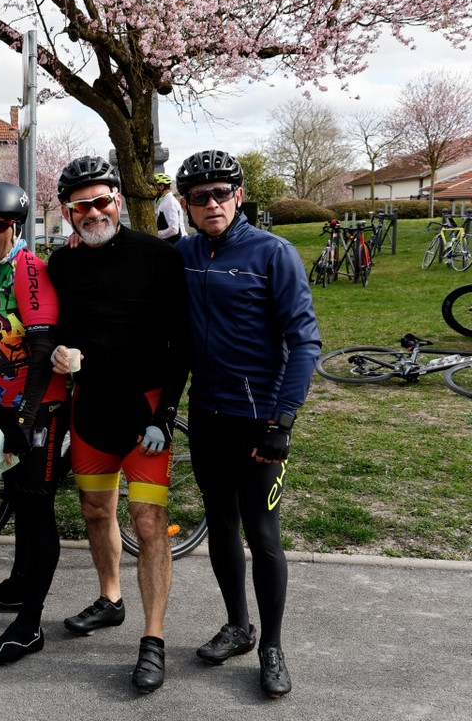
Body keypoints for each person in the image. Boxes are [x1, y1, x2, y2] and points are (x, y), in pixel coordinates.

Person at [174, 150, 320, 699]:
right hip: (207, 416)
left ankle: (272, 647)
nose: (211, 203)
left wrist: (283, 421)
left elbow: (305, 341)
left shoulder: (273, 253)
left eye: (221, 193)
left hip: (259, 421)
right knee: (220, 523)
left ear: (238, 196)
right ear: (186, 205)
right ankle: (238, 626)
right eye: (199, 196)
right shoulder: (184, 253)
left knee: (262, 533)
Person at [47, 155, 189, 693]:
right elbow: (57, 329)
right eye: (80, 206)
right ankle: (110, 599)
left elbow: (182, 343)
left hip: (145, 411)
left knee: (148, 523)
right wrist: (58, 352)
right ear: (68, 212)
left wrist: (166, 413)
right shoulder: (62, 263)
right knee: (94, 510)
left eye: (102, 201)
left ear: (119, 201)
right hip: (92, 411)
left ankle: (153, 639)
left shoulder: (158, 257)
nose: (93, 212)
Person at [0, 180, 70, 664]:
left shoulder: (28, 271)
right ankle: (17, 586)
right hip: (7, 406)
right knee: (20, 502)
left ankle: (29, 626)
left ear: (15, 227)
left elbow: (43, 351)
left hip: (40, 408)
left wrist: (25, 419)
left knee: (37, 507)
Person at [152, 173, 187, 244]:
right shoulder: (166, 201)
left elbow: (174, 229)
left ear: (161, 186)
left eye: (154, 186)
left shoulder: (169, 203)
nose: (152, 190)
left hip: (178, 244)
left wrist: (155, 234)